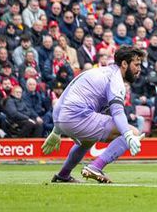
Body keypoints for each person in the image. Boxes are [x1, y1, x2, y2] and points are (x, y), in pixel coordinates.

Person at [41, 46, 146, 183]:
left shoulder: (98, 71)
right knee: (134, 132)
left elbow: (67, 92)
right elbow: (117, 112)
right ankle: (95, 167)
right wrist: (128, 135)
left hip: (62, 117)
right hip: (77, 116)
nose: (139, 69)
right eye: (136, 65)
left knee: (88, 140)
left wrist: (56, 130)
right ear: (124, 64)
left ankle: (63, 175)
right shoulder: (116, 80)